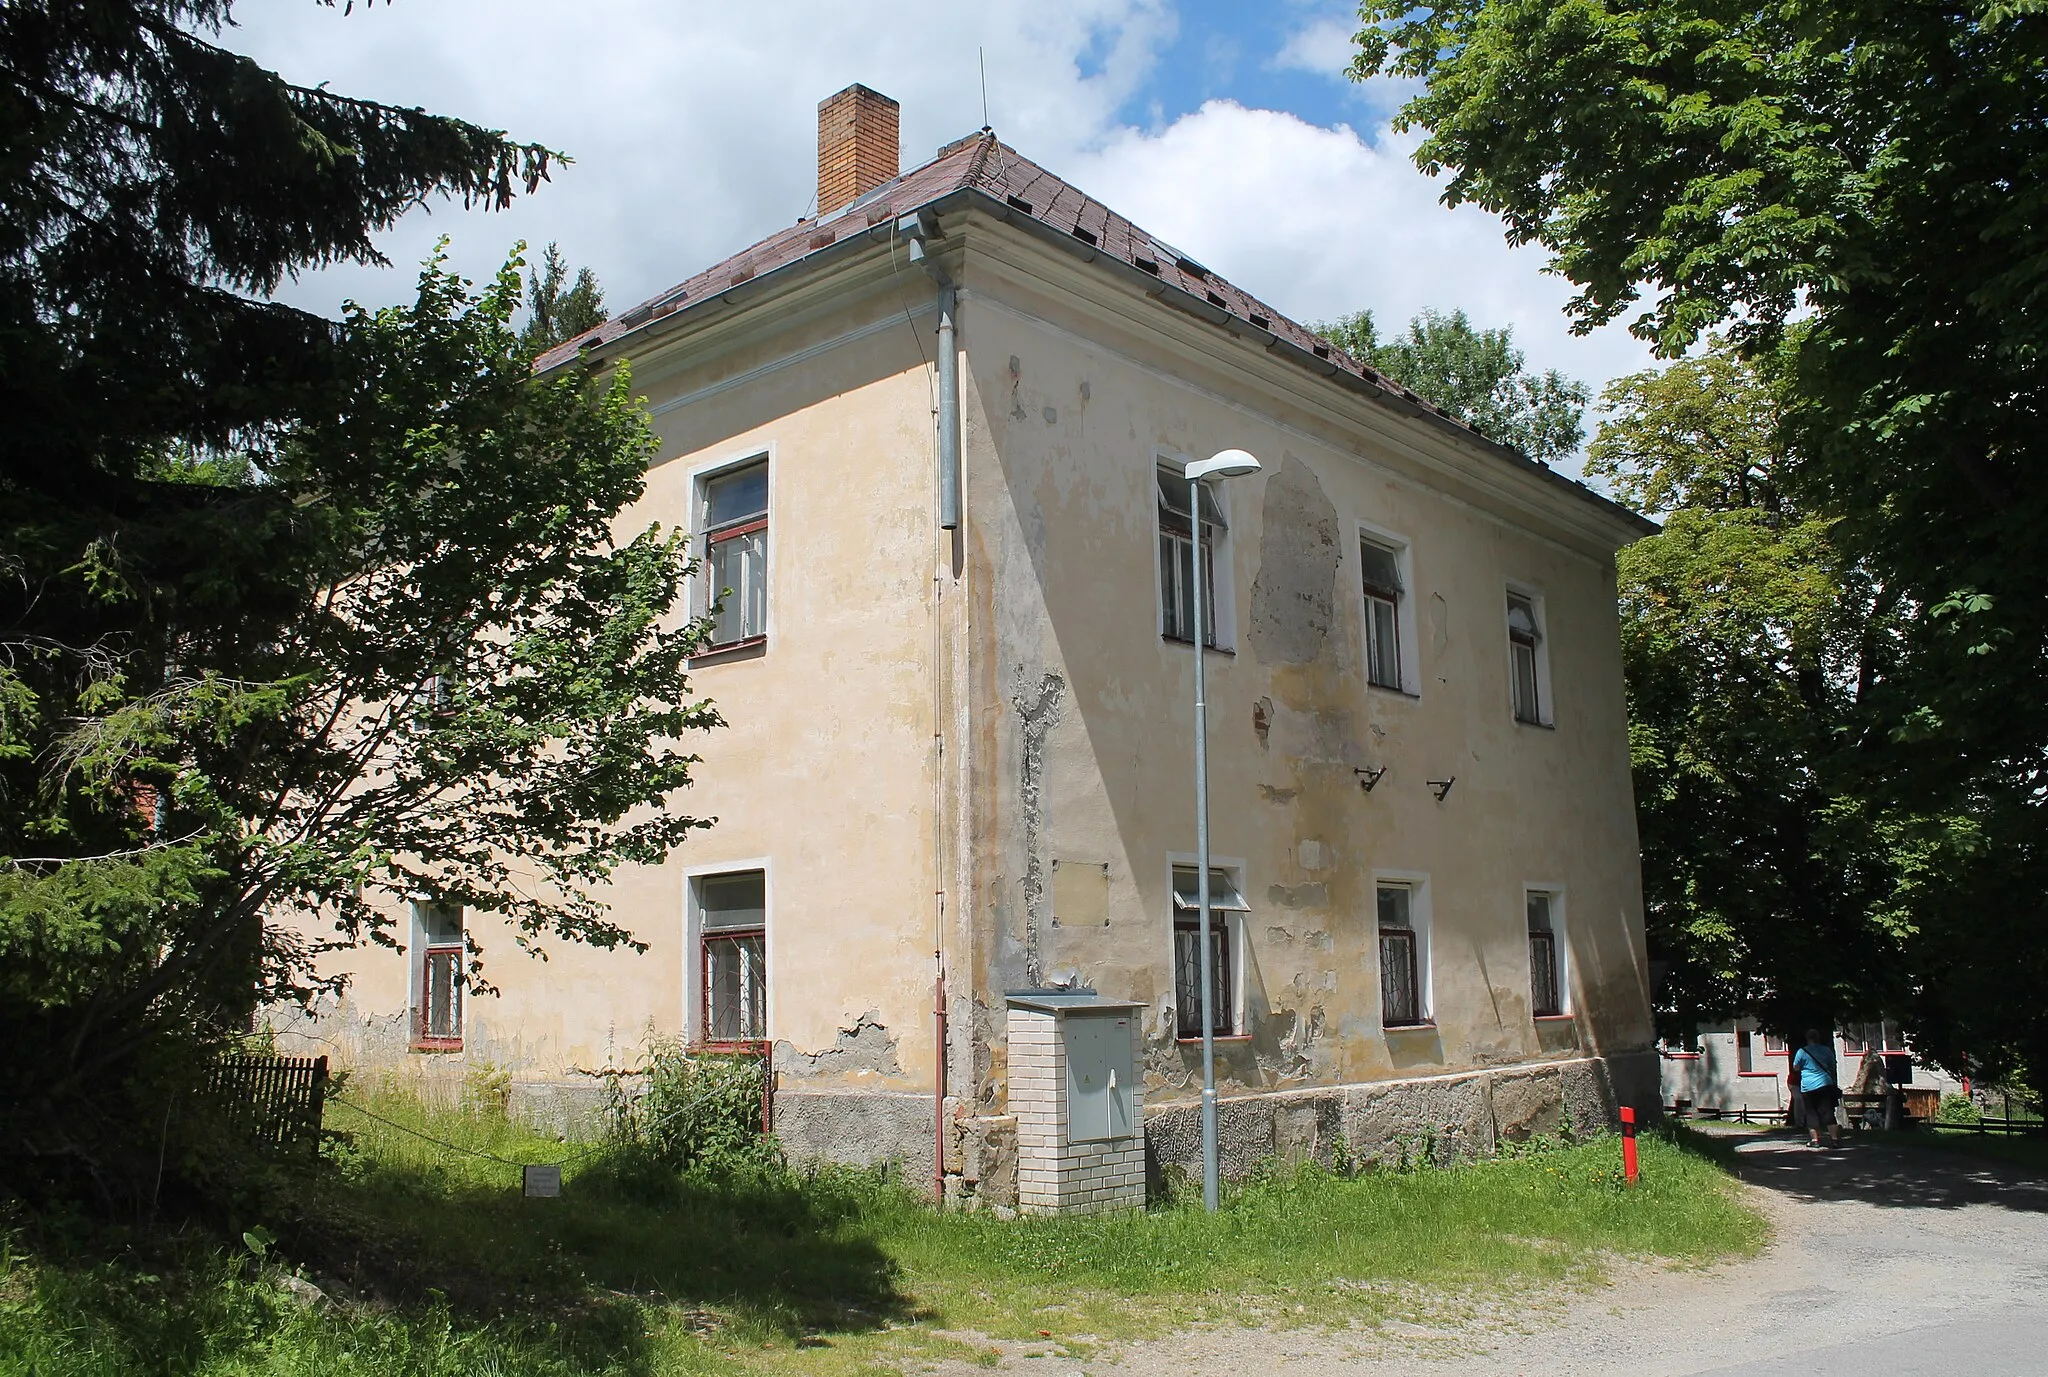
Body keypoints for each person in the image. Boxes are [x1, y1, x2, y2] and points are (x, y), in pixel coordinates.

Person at [1792, 1028, 1842, 1149]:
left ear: (1807, 1039)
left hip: (1808, 1086)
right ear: (1818, 1038)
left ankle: (1815, 1140)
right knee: (1828, 1111)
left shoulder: (1802, 1052)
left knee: (1811, 1113)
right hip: (1825, 1084)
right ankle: (1834, 1139)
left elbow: (1796, 1068)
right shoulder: (1826, 1050)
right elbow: (1832, 1065)